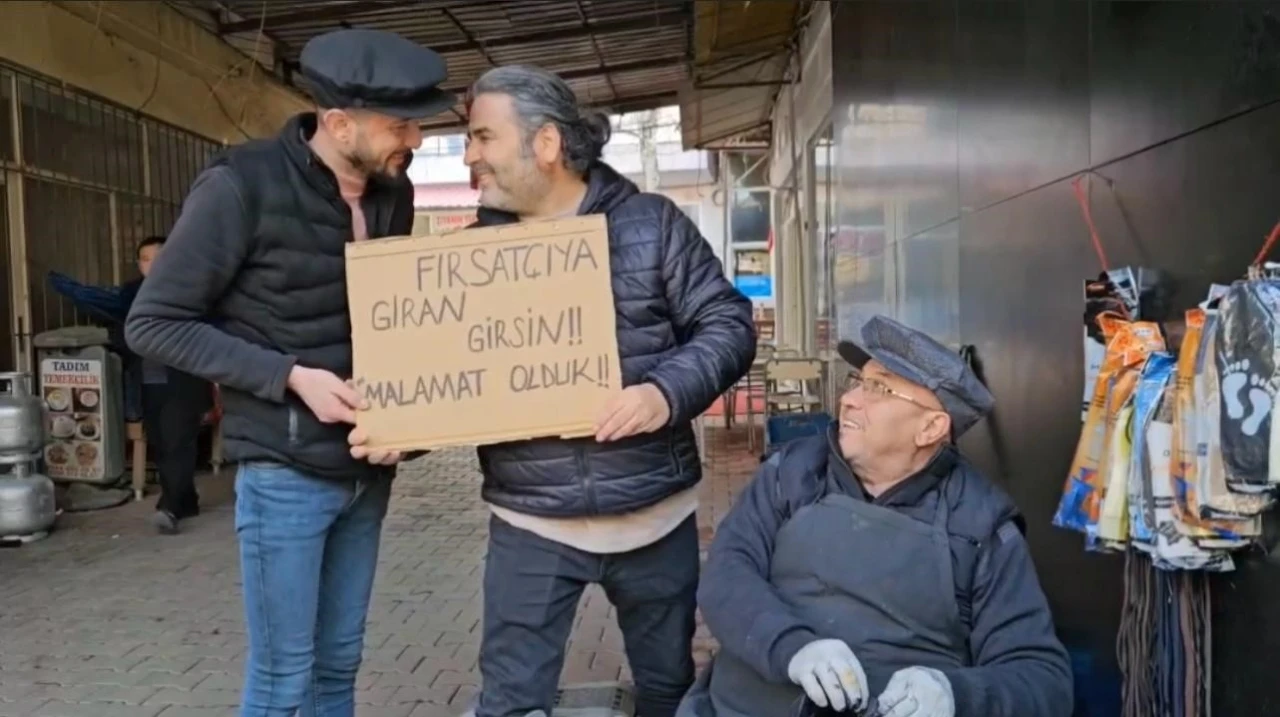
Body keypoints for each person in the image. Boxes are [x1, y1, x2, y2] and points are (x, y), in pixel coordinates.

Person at [124, 28, 454, 717]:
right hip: (284, 469)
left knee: (339, 668)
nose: (415, 139)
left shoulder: (395, 193)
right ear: (337, 124)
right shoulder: (240, 185)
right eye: (400, 124)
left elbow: (390, 327)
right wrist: (289, 375)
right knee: (283, 680)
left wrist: (410, 425)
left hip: (367, 471)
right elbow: (153, 323)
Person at [411, 64, 754, 717]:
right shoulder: (467, 261)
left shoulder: (653, 225)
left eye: (482, 136)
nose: (468, 154)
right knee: (510, 700)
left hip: (657, 514)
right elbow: (440, 387)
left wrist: (664, 391)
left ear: (544, 144)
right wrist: (394, 433)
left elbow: (728, 324)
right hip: (529, 521)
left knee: (668, 689)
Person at [679, 315, 1074, 717]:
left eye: (879, 388)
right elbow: (726, 573)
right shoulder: (793, 473)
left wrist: (955, 695)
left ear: (931, 428)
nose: (850, 399)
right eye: (857, 381)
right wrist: (793, 648)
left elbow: (1042, 677)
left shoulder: (981, 525)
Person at [49, 236, 212, 534]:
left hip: (185, 379)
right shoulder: (131, 293)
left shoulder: (191, 289)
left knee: (178, 441)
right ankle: (186, 500)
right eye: (145, 258)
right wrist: (61, 284)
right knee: (163, 444)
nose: (151, 263)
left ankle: (170, 507)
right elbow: (101, 304)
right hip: (149, 381)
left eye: (158, 256)